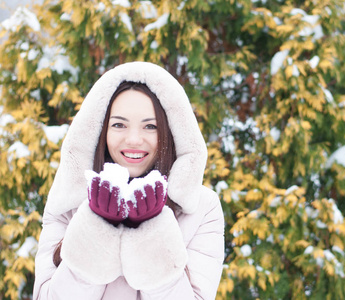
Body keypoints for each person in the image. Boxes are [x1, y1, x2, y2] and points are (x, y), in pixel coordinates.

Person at [33, 62, 225, 299]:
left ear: (171, 131)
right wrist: (96, 226)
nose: (134, 139)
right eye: (119, 124)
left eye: (150, 126)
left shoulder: (200, 208)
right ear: (101, 129)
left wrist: (152, 232)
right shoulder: (69, 202)